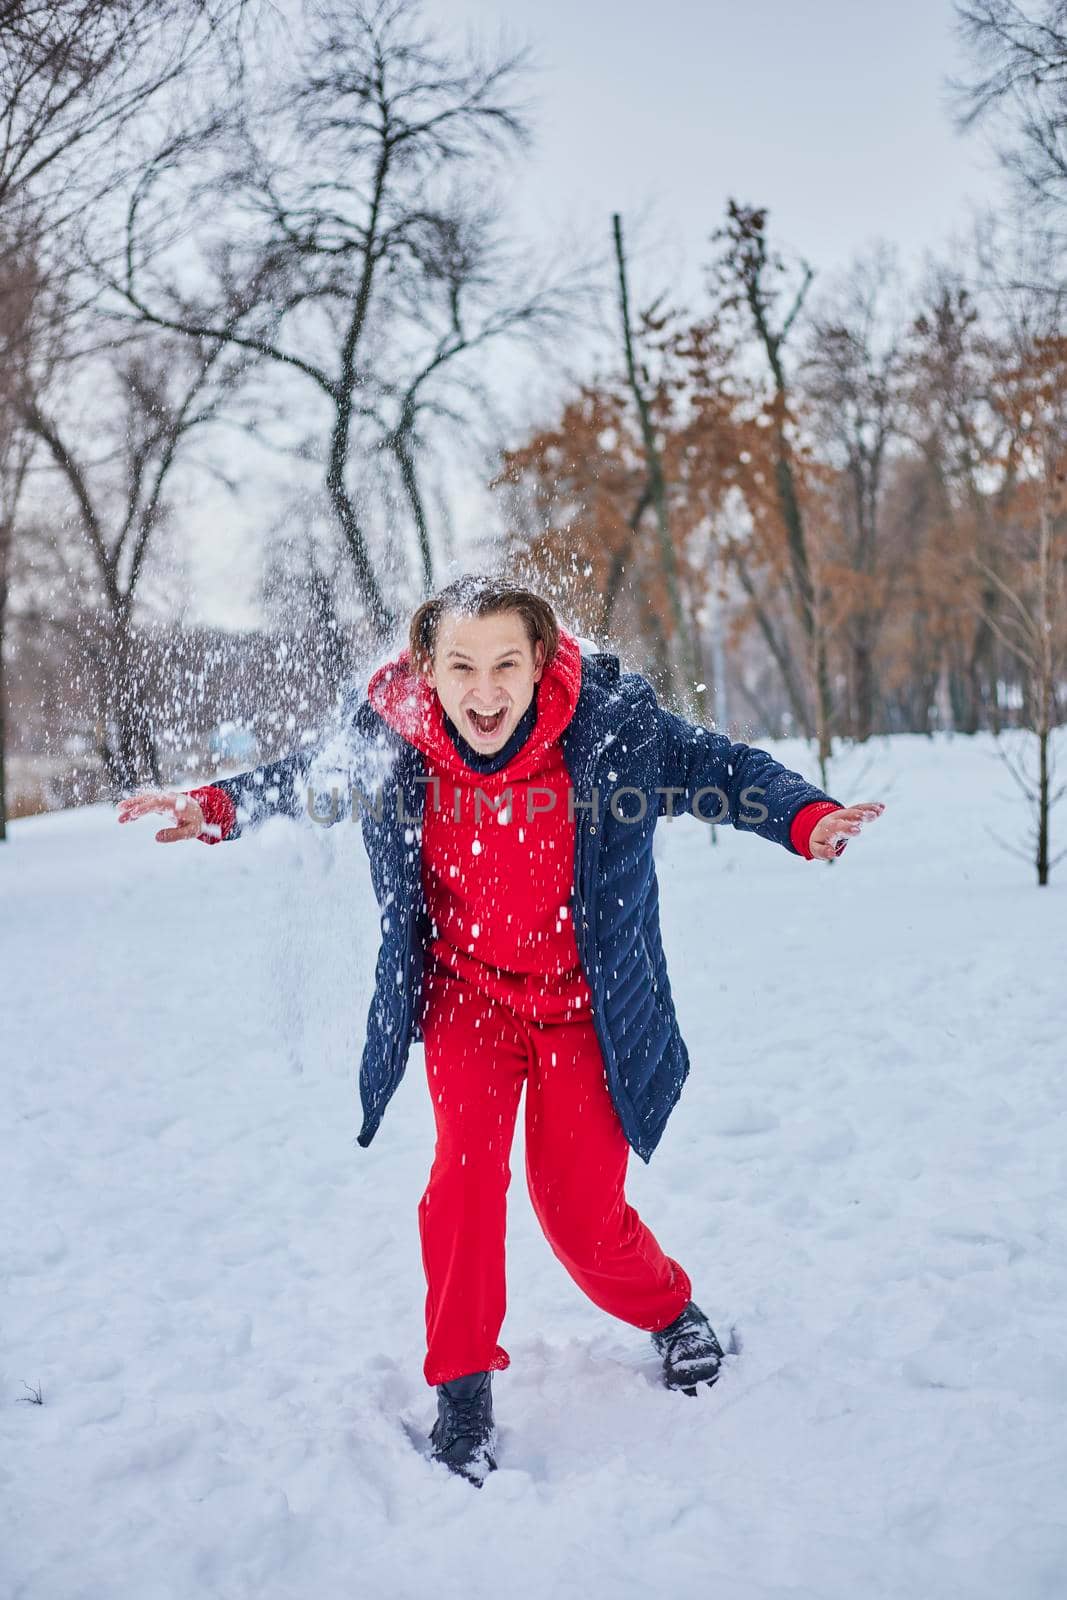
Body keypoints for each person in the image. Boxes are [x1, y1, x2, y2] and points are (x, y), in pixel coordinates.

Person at [118, 575, 885, 1486]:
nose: (484, 690)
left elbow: (721, 770)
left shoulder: (611, 730)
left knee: (579, 1216)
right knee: (463, 1182)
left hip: (584, 1009)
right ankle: (463, 1386)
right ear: (428, 671)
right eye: (462, 666)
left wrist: (804, 818)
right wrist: (214, 807)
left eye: (505, 665)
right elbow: (310, 778)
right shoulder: (394, 736)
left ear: (541, 662)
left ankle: (669, 1309)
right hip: (467, 1001)